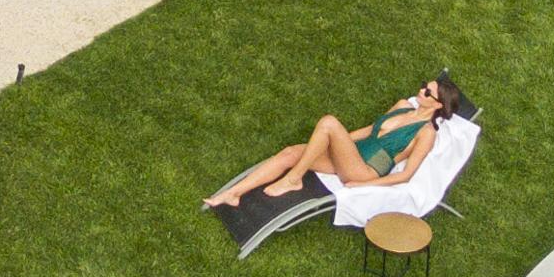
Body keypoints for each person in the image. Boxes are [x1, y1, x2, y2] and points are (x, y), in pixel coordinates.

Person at [203, 76, 474, 209]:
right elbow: (369, 130)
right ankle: (234, 193)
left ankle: (294, 179)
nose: (420, 91)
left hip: (365, 169)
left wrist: (364, 184)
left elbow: (406, 175)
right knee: (290, 152)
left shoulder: (426, 133)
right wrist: (335, 142)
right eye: (423, 86)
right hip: (351, 157)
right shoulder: (403, 106)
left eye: (426, 91)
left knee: (330, 122)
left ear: (437, 104)